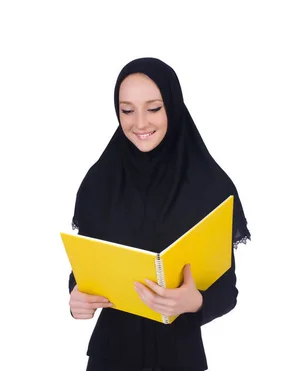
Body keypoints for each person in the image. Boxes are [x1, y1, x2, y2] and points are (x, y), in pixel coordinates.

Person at [67, 57, 251, 371]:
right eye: (127, 110)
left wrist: (195, 302)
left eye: (153, 108)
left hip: (179, 359)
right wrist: (76, 296)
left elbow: (226, 290)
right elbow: (91, 264)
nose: (140, 123)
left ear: (173, 107)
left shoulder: (210, 185)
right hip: (109, 357)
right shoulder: (101, 179)